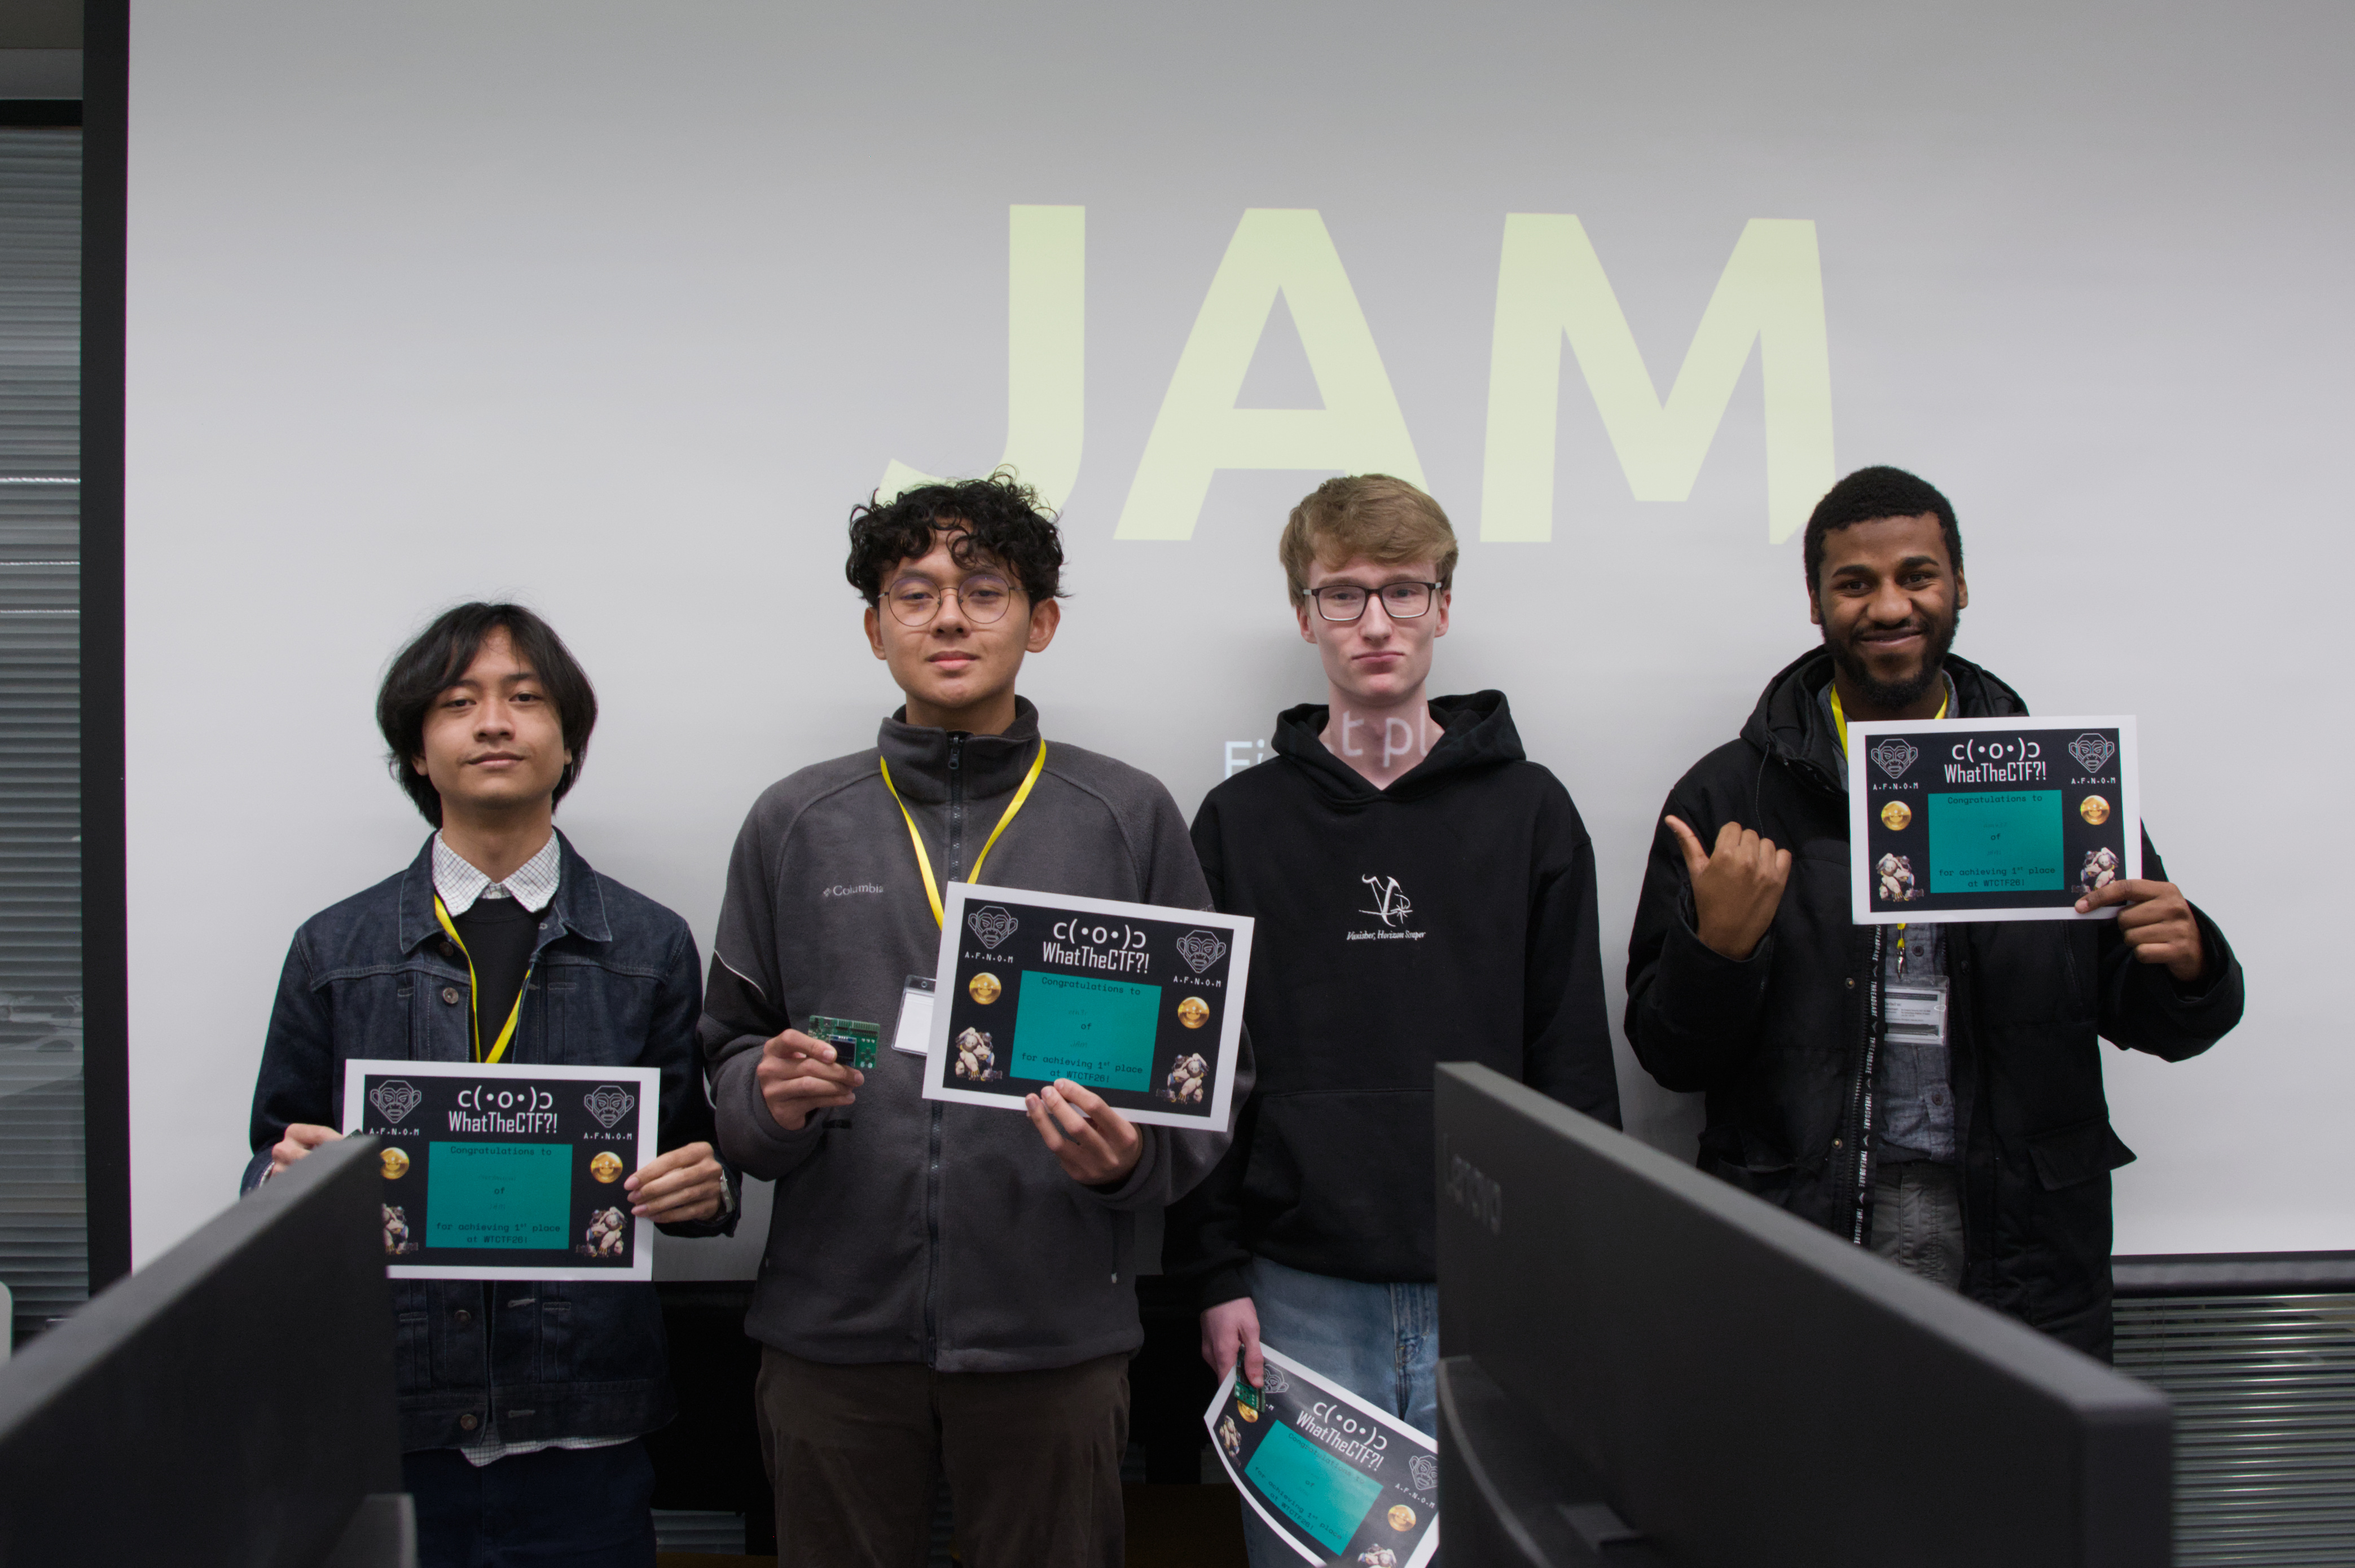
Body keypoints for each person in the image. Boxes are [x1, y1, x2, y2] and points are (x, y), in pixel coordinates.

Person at [702, 474, 1243, 1568]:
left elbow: (1206, 1078)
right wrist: (764, 1099)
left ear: (1039, 623)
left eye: (984, 590)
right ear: (875, 629)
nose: (948, 617)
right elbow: (725, 1052)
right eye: (915, 593)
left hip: (1052, 1340)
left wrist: (1130, 1162)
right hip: (831, 1338)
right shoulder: (795, 819)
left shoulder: (1126, 816)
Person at [1624, 466, 2243, 1356]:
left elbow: (2166, 1024)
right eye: (1854, 583)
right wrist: (1717, 954)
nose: (1888, 606)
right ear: (1815, 602)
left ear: (1958, 585)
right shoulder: (1732, 796)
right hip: (1801, 1227)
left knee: (2007, 1454)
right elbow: (1669, 1055)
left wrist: (2190, 963)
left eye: (1915, 576)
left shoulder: (2054, 780)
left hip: (2019, 1243)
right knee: (1808, 1453)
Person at [1165, 474, 1622, 1563]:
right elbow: (1199, 1070)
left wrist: (1574, 1275)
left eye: (1403, 591)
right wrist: (1213, 1275)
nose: (1375, 622)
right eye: (1343, 594)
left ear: (1443, 606)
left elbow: (1569, 1059)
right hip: (1296, 1297)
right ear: (1304, 615)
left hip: (1496, 1290)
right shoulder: (1236, 823)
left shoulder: (1530, 811)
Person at [243, 604, 732, 1568]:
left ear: (568, 743)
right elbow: (269, 1158)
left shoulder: (649, 944)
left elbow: (689, 1157)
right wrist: (280, 1179)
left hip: (584, 1432)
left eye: (525, 698)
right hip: (395, 1427)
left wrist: (705, 1190)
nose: (495, 723)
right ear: (416, 752)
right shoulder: (333, 949)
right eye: (459, 703)